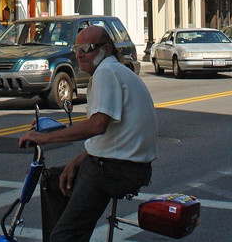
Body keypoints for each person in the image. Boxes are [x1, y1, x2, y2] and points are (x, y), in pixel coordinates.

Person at [18, 24, 158, 242]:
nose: (80, 54)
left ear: (107, 50)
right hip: (125, 165)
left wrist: (43, 137)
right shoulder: (116, 71)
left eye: (87, 47)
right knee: (54, 181)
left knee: (65, 236)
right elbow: (113, 134)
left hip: (114, 169)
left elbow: (97, 125)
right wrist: (79, 159)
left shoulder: (106, 72)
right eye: (77, 48)